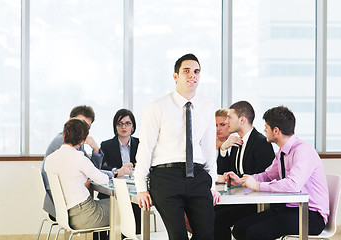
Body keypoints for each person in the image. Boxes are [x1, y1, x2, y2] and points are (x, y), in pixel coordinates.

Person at [134, 53, 221, 240]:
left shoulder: (207, 106)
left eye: (196, 71)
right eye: (186, 71)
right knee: (178, 236)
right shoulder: (157, 106)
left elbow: (208, 149)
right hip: (166, 177)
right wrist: (141, 186)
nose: (192, 75)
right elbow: (145, 147)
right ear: (176, 76)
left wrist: (212, 184)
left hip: (198, 176)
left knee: (206, 234)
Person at [226, 106, 329, 240]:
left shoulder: (303, 150)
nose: (264, 130)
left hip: (310, 215)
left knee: (255, 233)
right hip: (288, 209)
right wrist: (243, 180)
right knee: (240, 229)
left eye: (266, 127)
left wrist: (258, 186)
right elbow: (267, 175)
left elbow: (293, 185)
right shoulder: (282, 152)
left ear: (276, 131)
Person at [214, 101, 275, 240]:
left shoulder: (260, 142)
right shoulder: (236, 141)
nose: (227, 121)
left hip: (255, 203)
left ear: (242, 120)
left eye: (230, 117)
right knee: (207, 211)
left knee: (216, 217)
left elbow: (264, 177)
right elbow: (225, 173)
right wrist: (223, 149)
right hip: (240, 198)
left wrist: (240, 181)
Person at [45, 119, 110, 229]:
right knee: (121, 207)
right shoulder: (79, 158)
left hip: (65, 215)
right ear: (83, 140)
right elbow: (104, 180)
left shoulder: (50, 159)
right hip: (85, 214)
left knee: (109, 204)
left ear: (64, 134)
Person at [99, 108, 141, 235]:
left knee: (137, 207)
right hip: (113, 191)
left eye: (127, 123)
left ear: (132, 126)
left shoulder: (140, 143)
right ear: (115, 126)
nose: (124, 126)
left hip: (133, 189)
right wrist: (117, 171)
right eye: (120, 123)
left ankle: (134, 236)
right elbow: (101, 168)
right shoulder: (106, 145)